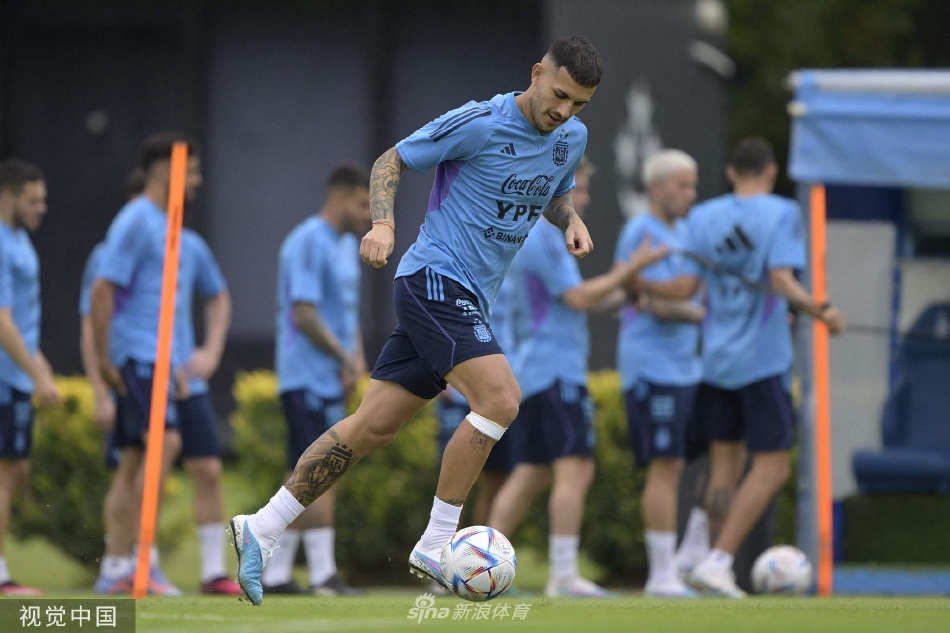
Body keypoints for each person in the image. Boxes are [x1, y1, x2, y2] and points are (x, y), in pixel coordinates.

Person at [230, 37, 646, 607]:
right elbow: (391, 160)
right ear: (536, 73)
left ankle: (262, 526)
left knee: (373, 427)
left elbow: (554, 192)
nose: (564, 111)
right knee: (500, 400)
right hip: (434, 278)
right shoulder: (480, 122)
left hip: (468, 297)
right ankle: (435, 544)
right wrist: (383, 224)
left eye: (579, 103)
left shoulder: (571, 138)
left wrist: (569, 219)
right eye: (558, 95)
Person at [637, 138, 846, 597]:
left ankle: (696, 554)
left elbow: (686, 287)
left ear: (732, 173)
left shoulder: (703, 216)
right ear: (771, 172)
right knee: (773, 467)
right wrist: (823, 311)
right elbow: (781, 280)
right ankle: (720, 560)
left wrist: (637, 281)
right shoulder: (783, 212)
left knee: (724, 469)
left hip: (715, 361)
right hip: (762, 361)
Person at [487, 156, 652, 597]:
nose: (586, 199)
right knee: (575, 468)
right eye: (579, 189)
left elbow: (572, 301)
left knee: (531, 473)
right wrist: (631, 269)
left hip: (534, 371)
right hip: (556, 371)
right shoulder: (544, 236)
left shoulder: (530, 234)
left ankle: (481, 566)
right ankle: (562, 575)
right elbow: (578, 298)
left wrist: (622, 293)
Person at [90, 134, 206, 595]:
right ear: (165, 172)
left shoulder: (163, 222)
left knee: (133, 460)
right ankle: (141, 563)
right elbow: (102, 289)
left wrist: (172, 361)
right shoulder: (137, 219)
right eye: (191, 172)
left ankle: (115, 567)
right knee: (166, 444)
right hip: (137, 355)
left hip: (153, 357)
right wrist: (105, 359)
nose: (197, 181)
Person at [260, 164, 370, 597]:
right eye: (362, 204)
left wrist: (354, 361)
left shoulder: (346, 246)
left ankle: (277, 574)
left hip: (331, 377)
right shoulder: (307, 240)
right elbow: (304, 314)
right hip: (304, 376)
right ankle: (322, 574)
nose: (368, 214)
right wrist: (344, 357)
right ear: (339, 198)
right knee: (319, 470)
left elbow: (346, 313)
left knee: (311, 472)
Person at [613, 150, 705, 598]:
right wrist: (679, 301)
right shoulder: (640, 230)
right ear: (656, 189)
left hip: (688, 366)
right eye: (682, 185)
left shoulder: (685, 232)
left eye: (693, 185)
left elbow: (679, 293)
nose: (691, 194)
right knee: (666, 466)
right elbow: (676, 290)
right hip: (652, 365)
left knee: (700, 458)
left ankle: (688, 558)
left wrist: (664, 296)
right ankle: (662, 574)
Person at [0, 159, 62, 596]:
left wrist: (39, 365)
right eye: (33, 200)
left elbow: (20, 320)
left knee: (15, 470)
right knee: (5, 473)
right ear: (7, 197)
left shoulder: (19, 240)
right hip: (4, 378)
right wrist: (36, 372)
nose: (42, 208)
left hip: (15, 375)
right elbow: (2, 319)